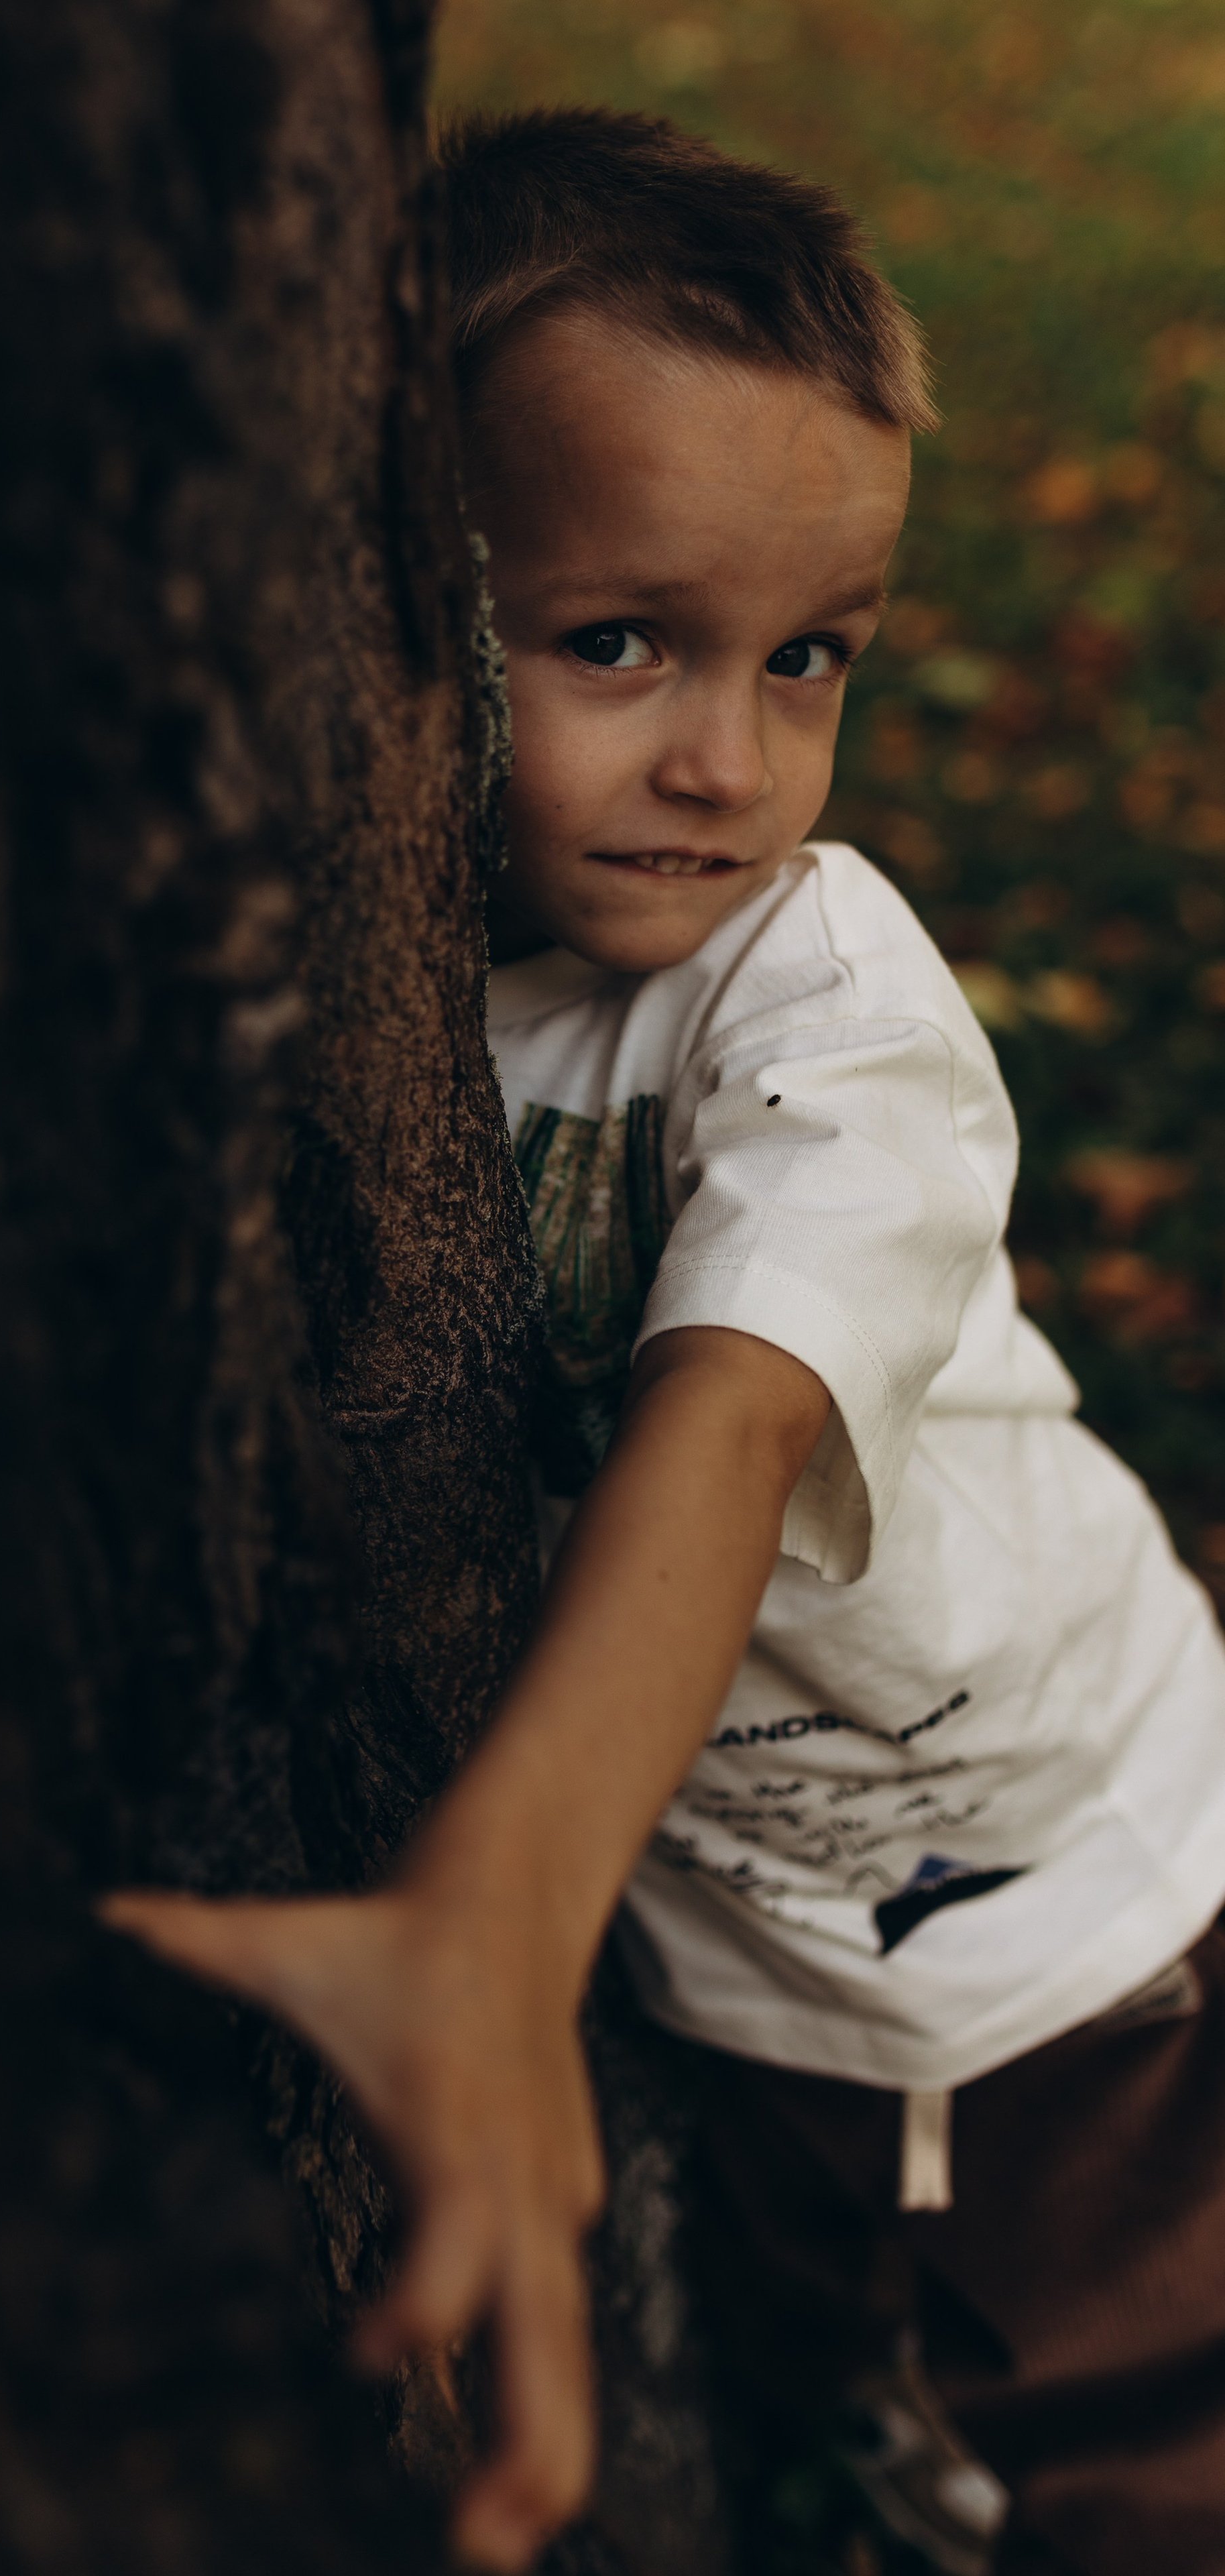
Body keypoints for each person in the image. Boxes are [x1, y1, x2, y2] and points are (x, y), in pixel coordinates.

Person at [103, 113, 1225, 2576]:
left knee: (1139, 2401)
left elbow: (732, 1418)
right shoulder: (342, 990)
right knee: (843, 2299)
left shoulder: (820, 991)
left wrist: (497, 1912)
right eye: (623, 640)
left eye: (804, 656)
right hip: (733, 1930)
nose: (732, 761)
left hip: (1058, 1880)